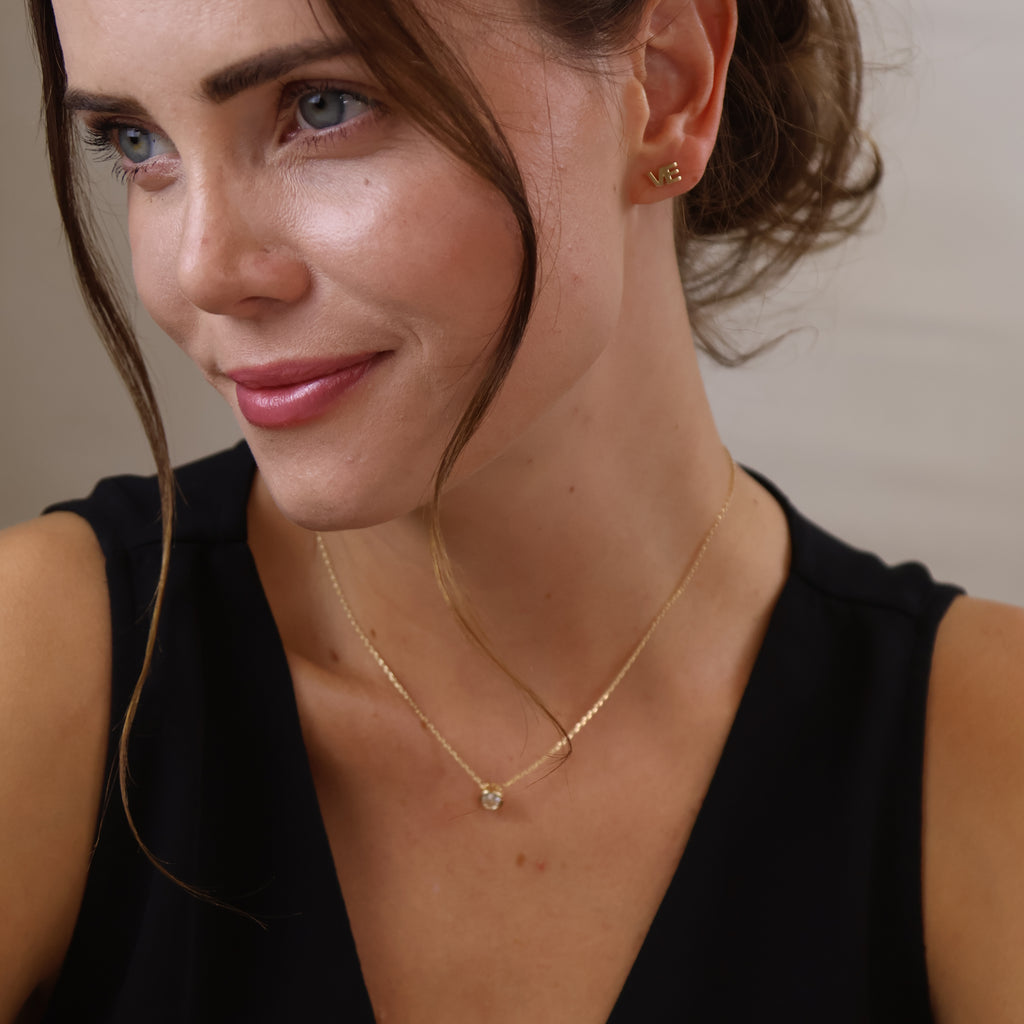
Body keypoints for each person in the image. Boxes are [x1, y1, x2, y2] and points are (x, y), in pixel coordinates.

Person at [2, 0, 1023, 1020]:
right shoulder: (38, 662)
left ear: (665, 86)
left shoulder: (988, 755)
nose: (203, 272)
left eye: (322, 107)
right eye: (135, 142)